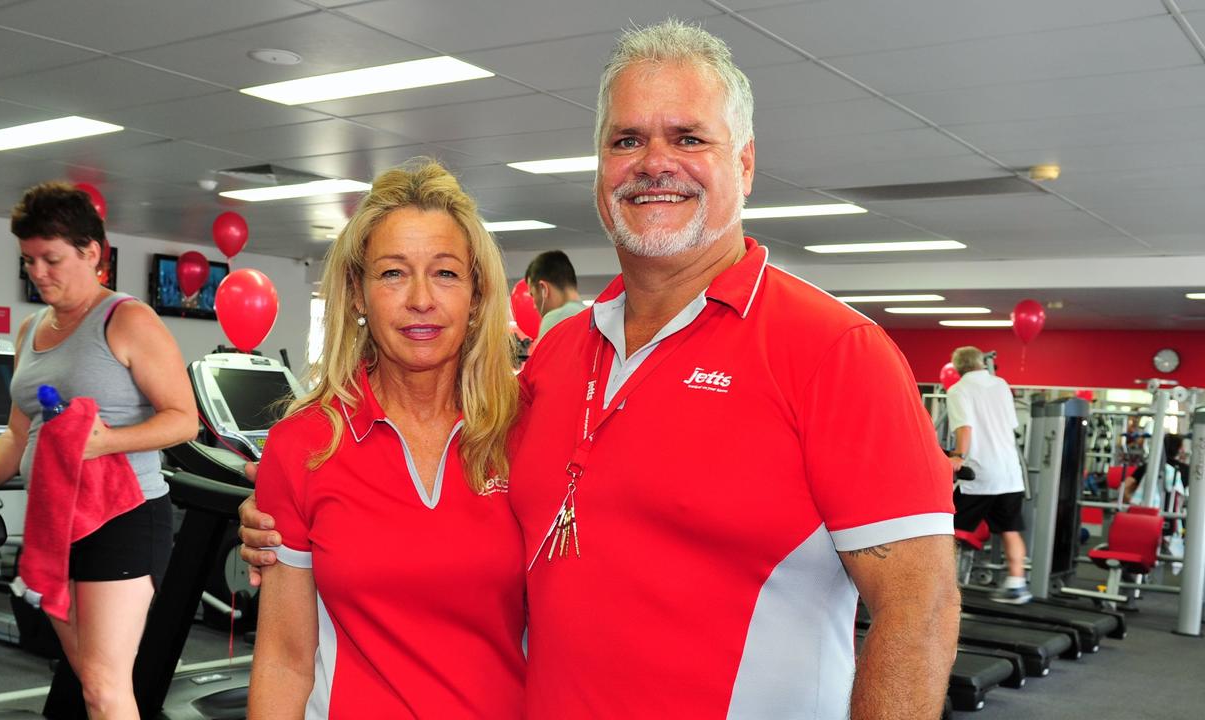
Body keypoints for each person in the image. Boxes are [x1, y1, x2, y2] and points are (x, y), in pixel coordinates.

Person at [241, 20, 959, 719]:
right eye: (627, 140)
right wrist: (286, 512)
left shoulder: (835, 351)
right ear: (600, 169)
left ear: (742, 163)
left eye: (687, 137)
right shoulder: (555, 359)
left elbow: (919, 609)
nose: (654, 162)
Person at [246, 161, 525, 719]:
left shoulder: (527, 433)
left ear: (476, 297)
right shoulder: (303, 445)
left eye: (446, 273)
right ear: (357, 293)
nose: (420, 299)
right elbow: (283, 658)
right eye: (393, 273)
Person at [0, 181, 197, 719]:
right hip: (57, 518)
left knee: (104, 684)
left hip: (124, 516)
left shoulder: (128, 320)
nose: (38, 273)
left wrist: (108, 441)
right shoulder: (30, 330)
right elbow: (16, 431)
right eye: (29, 261)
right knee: (83, 675)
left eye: (51, 259)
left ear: (92, 252)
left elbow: (184, 420)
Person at [946, 345, 1030, 605]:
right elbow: (1011, 425)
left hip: (981, 474)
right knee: (1010, 529)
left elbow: (965, 427)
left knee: (948, 529)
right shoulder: (1001, 384)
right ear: (982, 364)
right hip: (1009, 473)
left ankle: (942, 584)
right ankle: (1017, 583)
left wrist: (958, 456)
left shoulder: (959, 389)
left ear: (958, 368)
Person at [524, 250, 587, 337]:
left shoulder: (555, 319)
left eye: (533, 294)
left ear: (544, 289)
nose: (534, 306)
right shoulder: (595, 317)